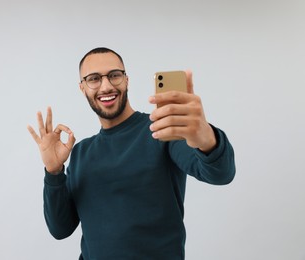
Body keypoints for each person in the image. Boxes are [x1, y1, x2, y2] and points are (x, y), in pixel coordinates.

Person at [27, 47, 236, 260]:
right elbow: (60, 229)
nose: (106, 86)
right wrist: (53, 172)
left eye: (114, 75)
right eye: (94, 79)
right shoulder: (81, 152)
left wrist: (206, 138)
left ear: (126, 80)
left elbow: (220, 174)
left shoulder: (161, 130)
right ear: (83, 88)